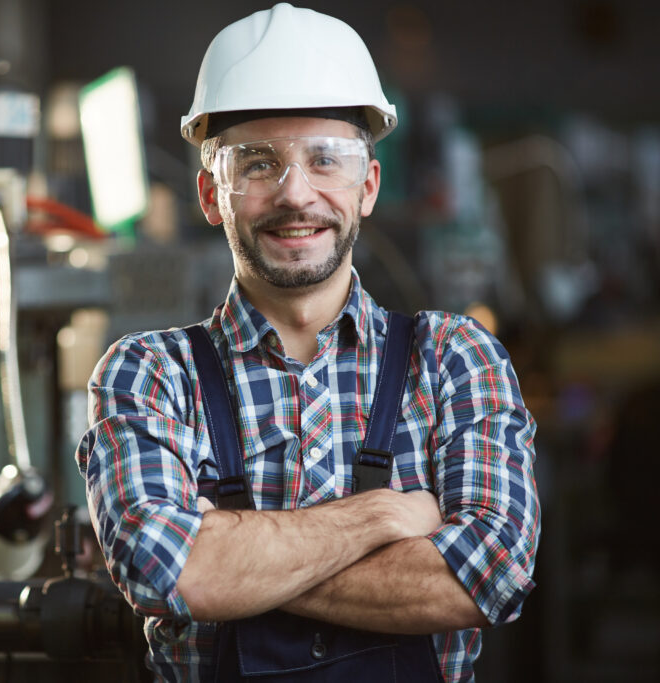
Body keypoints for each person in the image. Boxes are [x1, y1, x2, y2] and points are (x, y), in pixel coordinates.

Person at [76, 4, 540, 682]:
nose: (297, 193)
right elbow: (160, 568)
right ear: (211, 193)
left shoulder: (454, 358)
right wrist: (384, 515)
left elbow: (489, 578)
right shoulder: (148, 374)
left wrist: (227, 563)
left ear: (368, 186)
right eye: (258, 163)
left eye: (327, 159)